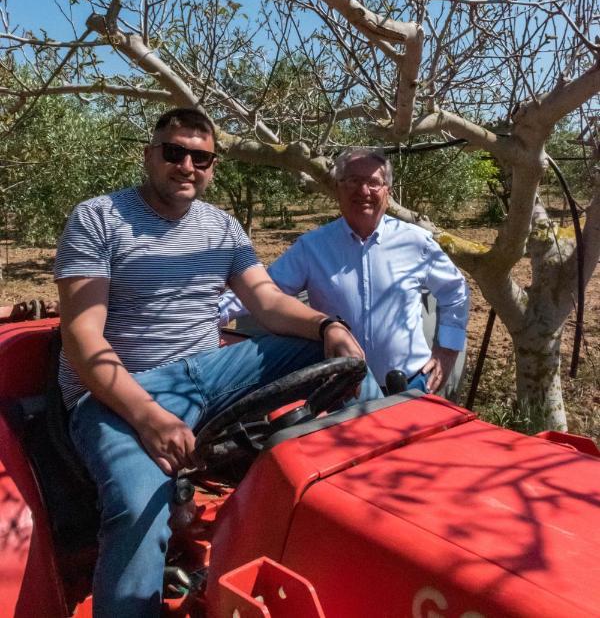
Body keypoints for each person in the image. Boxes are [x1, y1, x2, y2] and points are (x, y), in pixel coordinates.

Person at [54, 108, 382, 618]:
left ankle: (378, 488)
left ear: (212, 166)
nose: (186, 164)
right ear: (150, 156)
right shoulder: (100, 218)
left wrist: (329, 326)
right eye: (174, 152)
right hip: (119, 393)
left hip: (205, 375)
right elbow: (81, 336)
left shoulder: (222, 227)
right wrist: (146, 414)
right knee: (141, 508)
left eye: (200, 157)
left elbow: (269, 305)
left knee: (339, 360)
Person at [221, 148, 469, 395]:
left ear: (387, 191)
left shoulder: (415, 241)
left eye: (373, 183)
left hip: (410, 386)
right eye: (353, 181)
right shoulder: (313, 247)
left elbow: (455, 290)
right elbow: (262, 290)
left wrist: (448, 351)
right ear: (338, 188)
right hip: (341, 391)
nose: (364, 191)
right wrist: (214, 313)